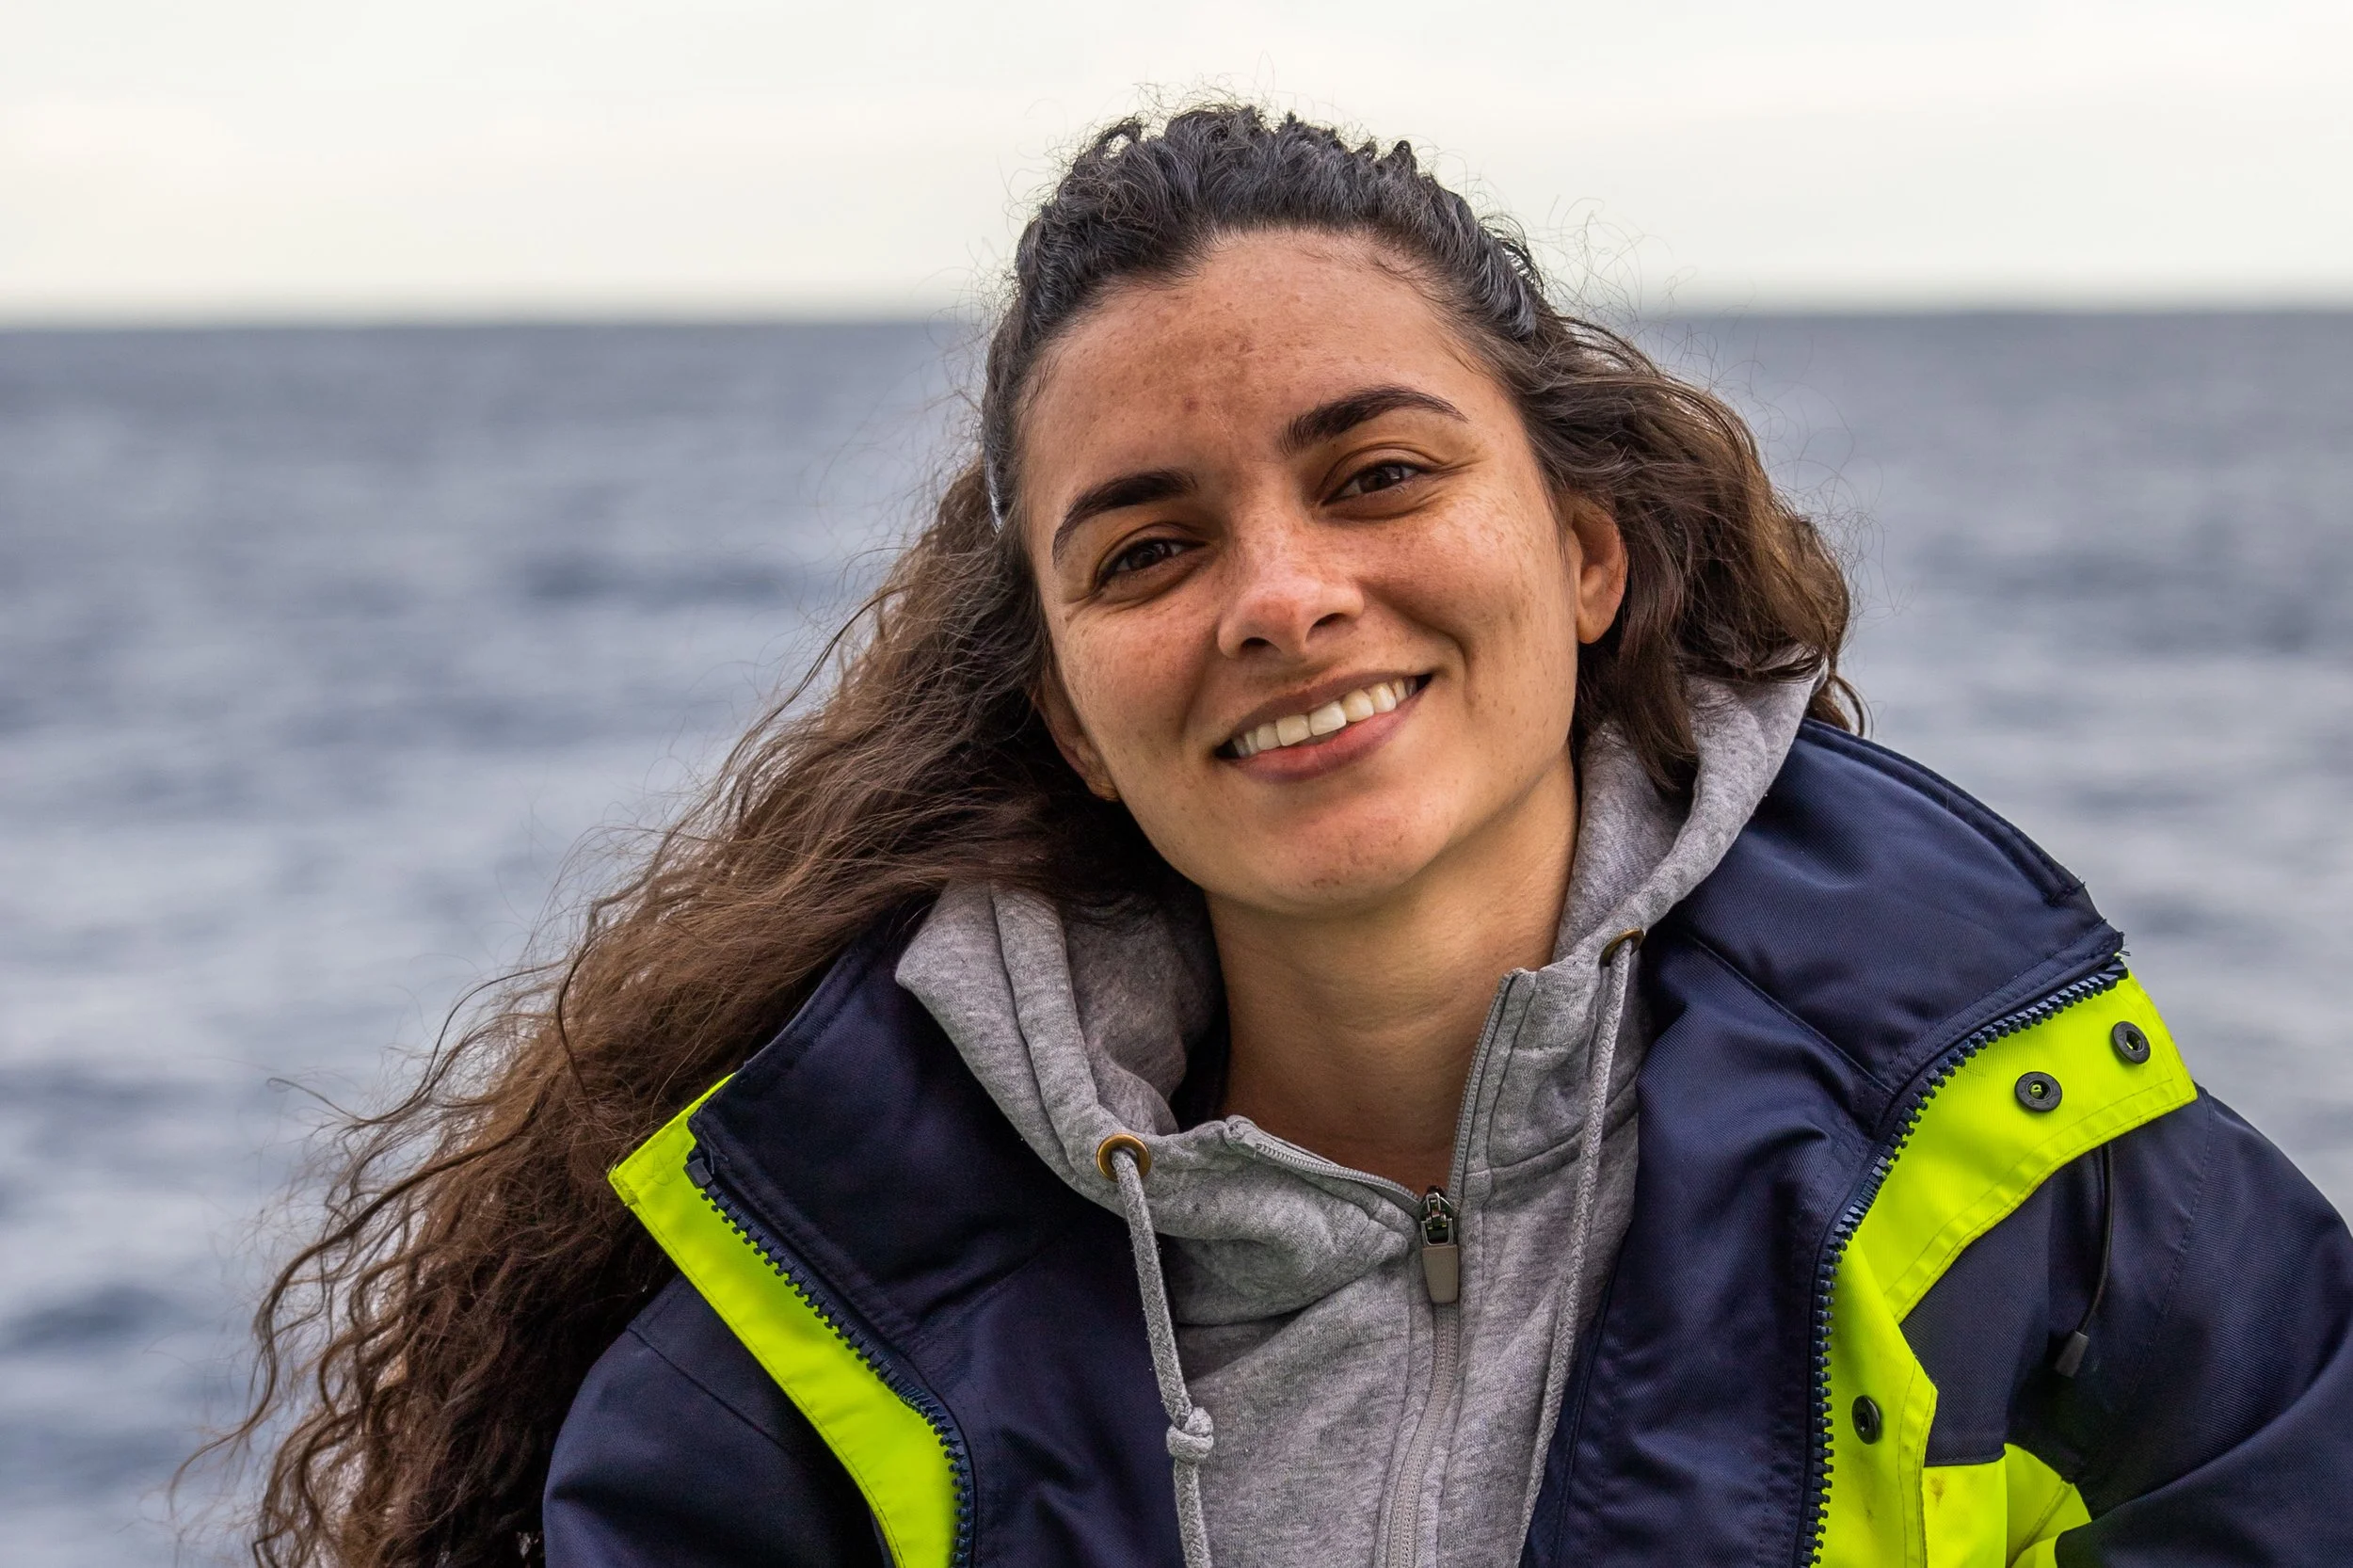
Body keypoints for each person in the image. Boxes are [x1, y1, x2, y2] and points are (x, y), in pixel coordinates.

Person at [233, 105, 2353, 1568]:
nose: (1275, 593)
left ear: (1586, 553)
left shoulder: (2005, 1151)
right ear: (1071, 711)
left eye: (1374, 473)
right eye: (1149, 546)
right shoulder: (806, 1325)